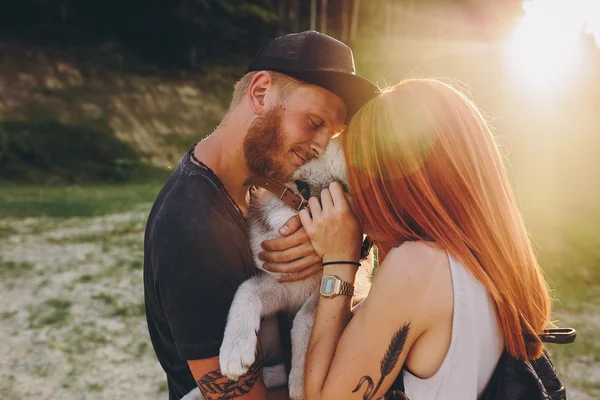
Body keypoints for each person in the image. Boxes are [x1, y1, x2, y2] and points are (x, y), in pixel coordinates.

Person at [143, 30, 378, 400]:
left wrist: (349, 247)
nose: (320, 146)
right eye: (314, 122)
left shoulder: (253, 186)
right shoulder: (194, 228)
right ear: (260, 93)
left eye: (330, 134)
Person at [298, 79, 552, 400]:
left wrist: (339, 262)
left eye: (357, 176)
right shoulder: (488, 261)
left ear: (391, 181)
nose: (355, 198)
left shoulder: (418, 267)